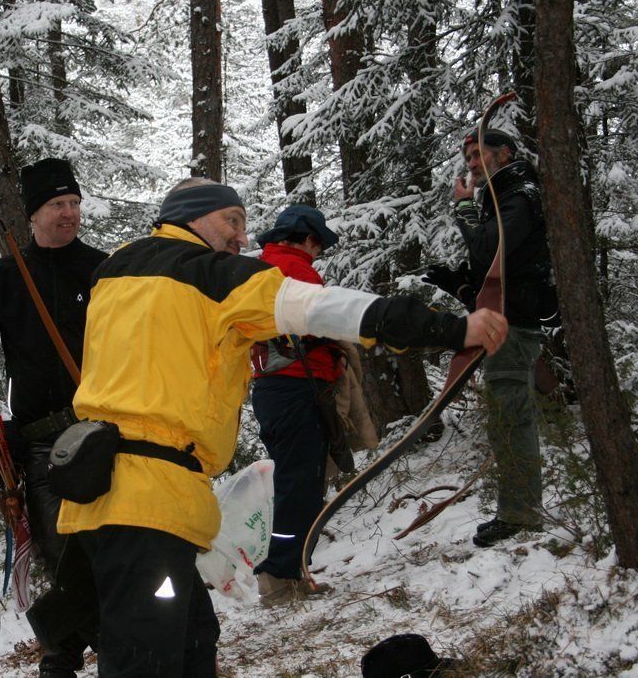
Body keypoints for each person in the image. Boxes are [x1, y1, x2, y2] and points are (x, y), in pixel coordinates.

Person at [56, 177, 508, 676]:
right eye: (232, 221)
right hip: (149, 505)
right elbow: (322, 308)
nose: (242, 237)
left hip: (99, 494)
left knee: (192, 639)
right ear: (192, 217)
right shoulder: (211, 275)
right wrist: (451, 329)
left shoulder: (114, 270)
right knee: (147, 660)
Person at [0, 157, 106, 677]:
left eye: (74, 203)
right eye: (57, 204)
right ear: (33, 214)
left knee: (108, 541)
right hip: (40, 442)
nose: (69, 213)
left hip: (105, 431)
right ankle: (65, 652)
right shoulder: (5, 277)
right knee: (57, 549)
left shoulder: (103, 269)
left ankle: (104, 647)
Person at [424, 127, 556, 547]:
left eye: (479, 155)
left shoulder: (520, 194)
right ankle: (517, 511)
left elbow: (488, 249)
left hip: (513, 326)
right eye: (469, 158)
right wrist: (460, 285)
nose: (473, 164)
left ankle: (521, 516)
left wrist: (463, 207)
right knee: (506, 419)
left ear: (506, 153)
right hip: (505, 321)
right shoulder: (506, 196)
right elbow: (497, 269)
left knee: (510, 419)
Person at [248, 205, 347, 606]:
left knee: (297, 483)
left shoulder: (265, 266)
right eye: (318, 244)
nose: (319, 252)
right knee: (299, 485)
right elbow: (322, 321)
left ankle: (290, 570)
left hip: (277, 390)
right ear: (307, 239)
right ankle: (278, 575)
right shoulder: (295, 269)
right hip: (295, 388)